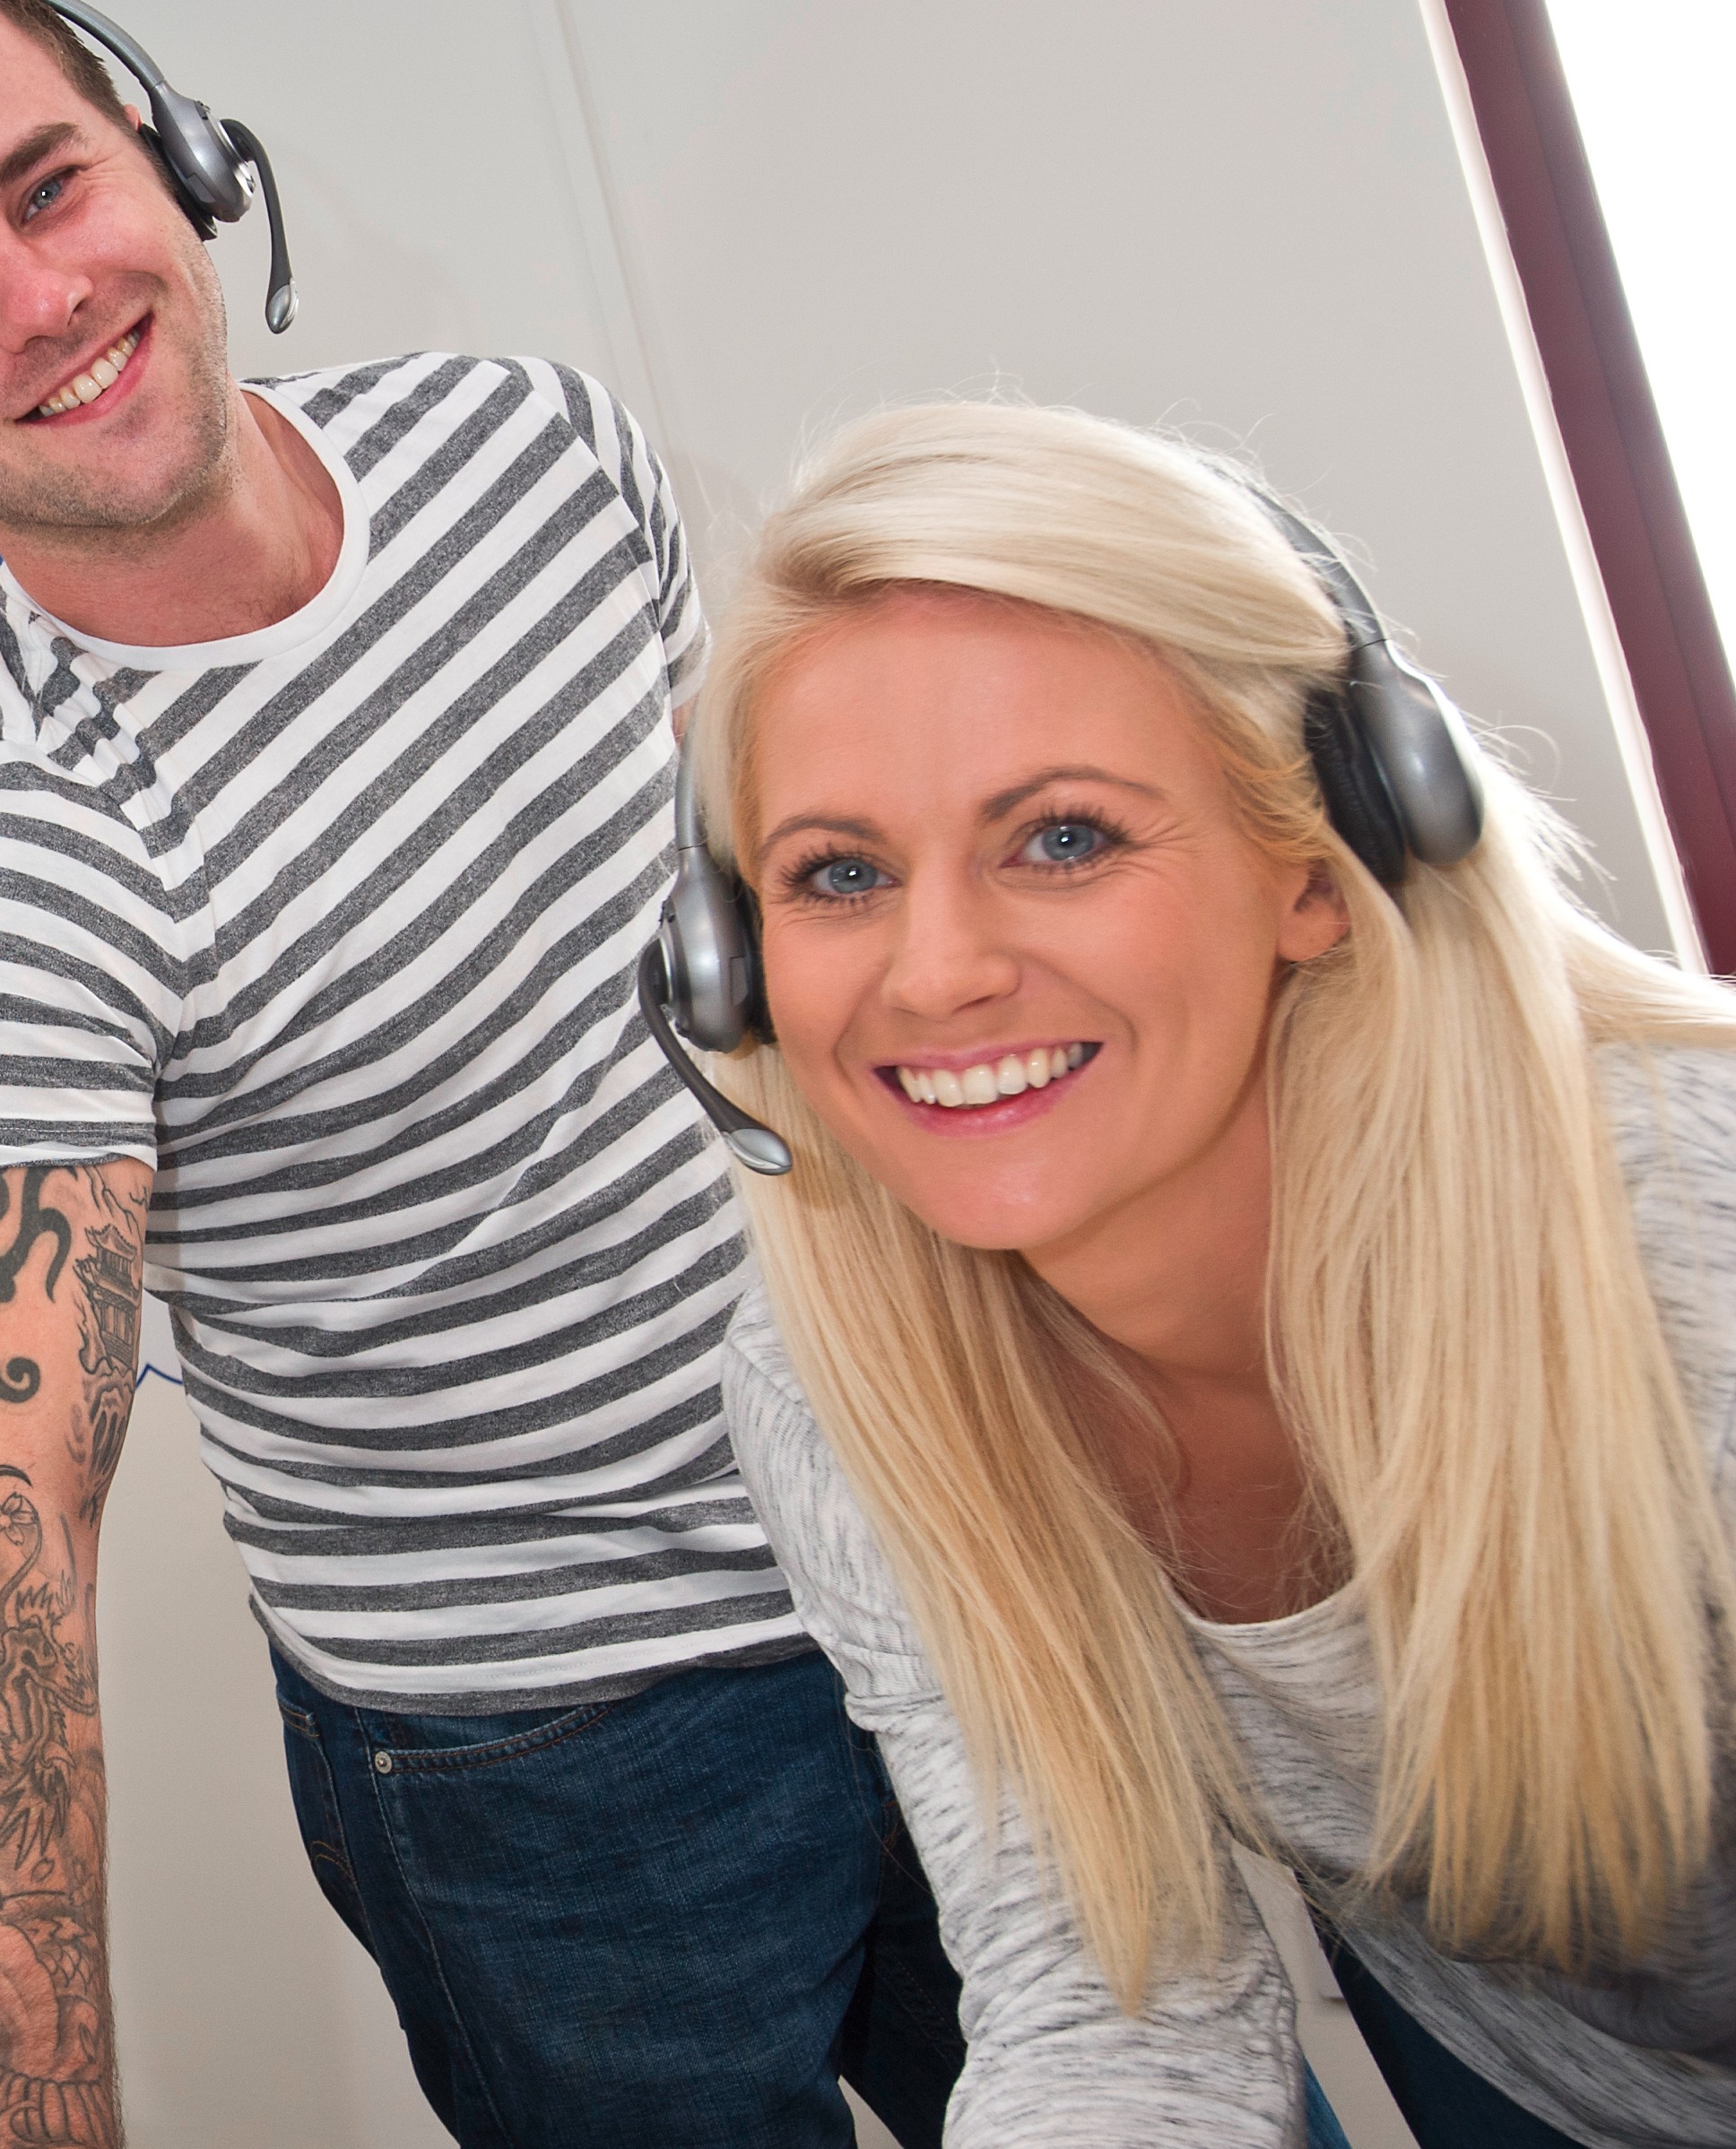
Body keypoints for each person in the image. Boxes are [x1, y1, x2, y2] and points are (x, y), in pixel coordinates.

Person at [0, 3, 967, 2143]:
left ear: (172, 153)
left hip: (931, 1541)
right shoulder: (17, 878)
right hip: (551, 1769)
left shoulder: (532, 445)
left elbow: (767, 938)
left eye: (48, 184)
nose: (41, 296)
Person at [688, 400, 1736, 2146]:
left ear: (1324, 864)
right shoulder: (837, 1378)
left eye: (1064, 838)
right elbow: (1114, 2011)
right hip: (1541, 2066)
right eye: (840, 873)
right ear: (725, 964)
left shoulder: (1685, 1218)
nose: (933, 973)